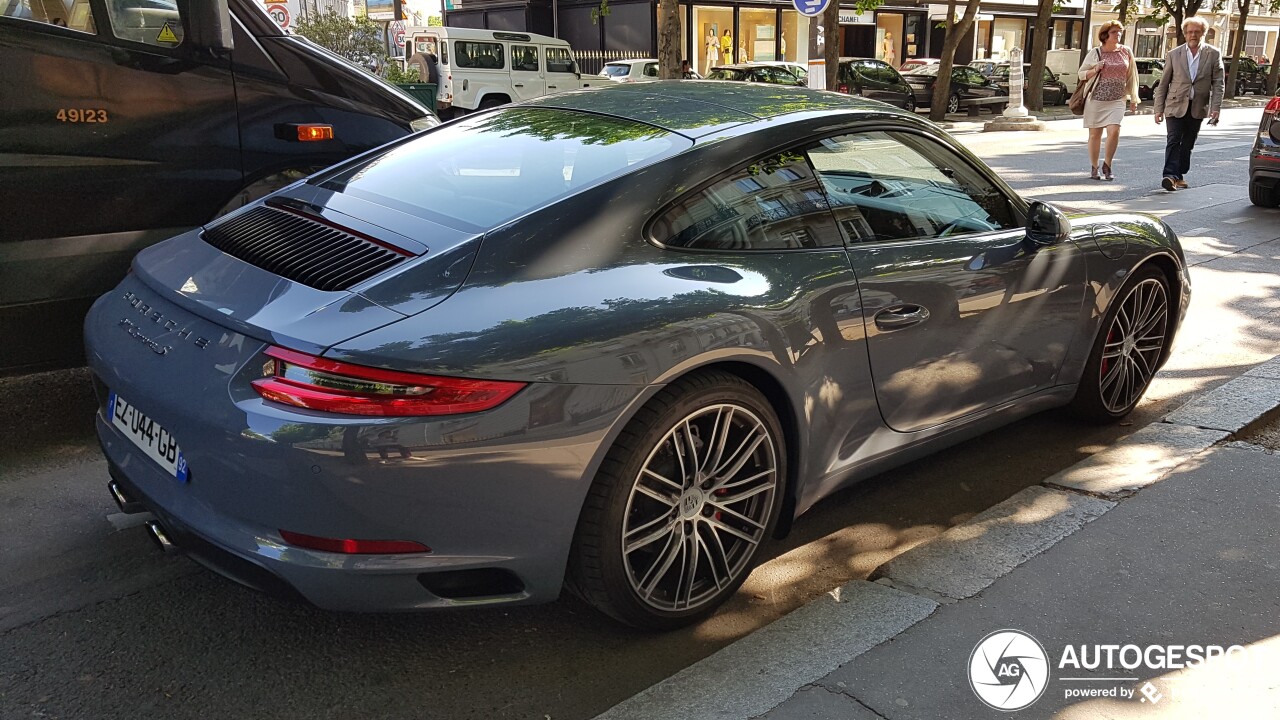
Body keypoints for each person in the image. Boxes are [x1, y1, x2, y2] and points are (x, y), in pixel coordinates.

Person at [1153, 16, 1224, 191]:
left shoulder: (1213, 54)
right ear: (1185, 34)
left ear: (1203, 34)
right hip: (1175, 104)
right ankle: (1169, 175)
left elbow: (1218, 83)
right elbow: (1163, 83)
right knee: (1173, 139)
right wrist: (1158, 109)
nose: (1193, 35)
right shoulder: (1174, 54)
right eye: (1190, 32)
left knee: (1188, 144)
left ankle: (1179, 174)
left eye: (1197, 32)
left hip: (1198, 105)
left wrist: (1216, 108)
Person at [1078, 21, 1139, 181]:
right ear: (1105, 35)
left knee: (1114, 131)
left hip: (1117, 99)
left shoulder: (1126, 51)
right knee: (1094, 135)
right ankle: (1094, 167)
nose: (1118, 35)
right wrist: (1095, 69)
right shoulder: (1096, 52)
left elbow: (1132, 76)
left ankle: (1107, 164)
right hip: (1096, 99)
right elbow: (1081, 74)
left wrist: (1133, 97)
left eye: (1119, 32)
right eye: (1114, 32)